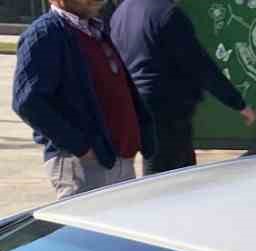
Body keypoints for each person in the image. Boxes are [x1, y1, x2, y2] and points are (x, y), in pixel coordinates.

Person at [11, 0, 157, 198]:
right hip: (84, 165)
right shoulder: (45, 34)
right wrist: (81, 147)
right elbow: (27, 102)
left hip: (119, 157)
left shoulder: (95, 30)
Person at [109, 0, 255, 175]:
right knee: (166, 179)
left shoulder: (121, 12)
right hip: (167, 110)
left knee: (171, 172)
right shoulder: (167, 14)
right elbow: (199, 64)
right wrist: (238, 103)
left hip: (138, 105)